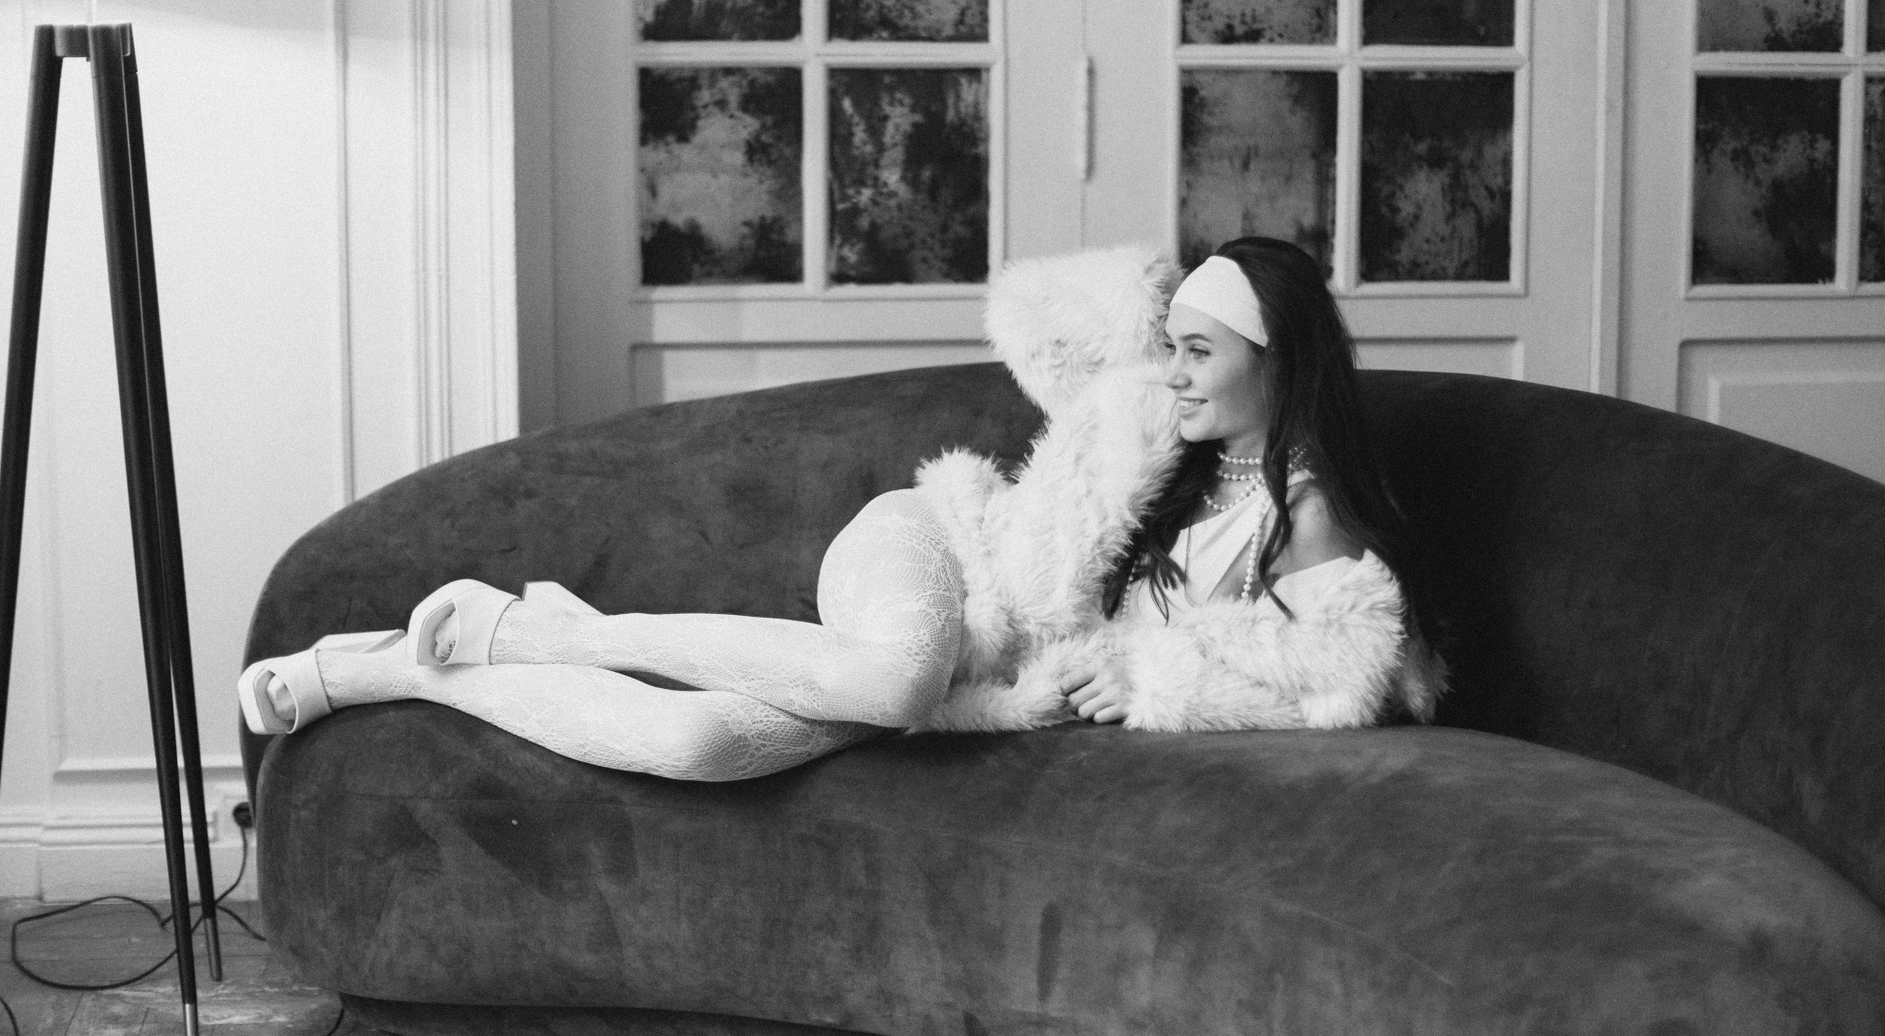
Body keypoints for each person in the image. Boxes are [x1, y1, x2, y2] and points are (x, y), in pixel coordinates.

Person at [239, 244, 1188, 780]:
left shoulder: (1268, 515)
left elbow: (1252, 657)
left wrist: (1131, 680)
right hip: (936, 545)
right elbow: (1041, 314)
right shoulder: (1139, 404)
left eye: (1203, 351)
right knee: (900, 682)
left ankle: (408, 672)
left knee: (696, 744)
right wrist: (1160, 295)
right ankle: (548, 632)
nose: (1183, 369)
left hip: (979, 665)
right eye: (1179, 343)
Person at [1054, 236, 1445, 732]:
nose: (1173, 375)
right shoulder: (1162, 470)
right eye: (1173, 348)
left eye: (1199, 352)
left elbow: (1334, 694)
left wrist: (1154, 684)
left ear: (1278, 361)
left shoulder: (1308, 516)